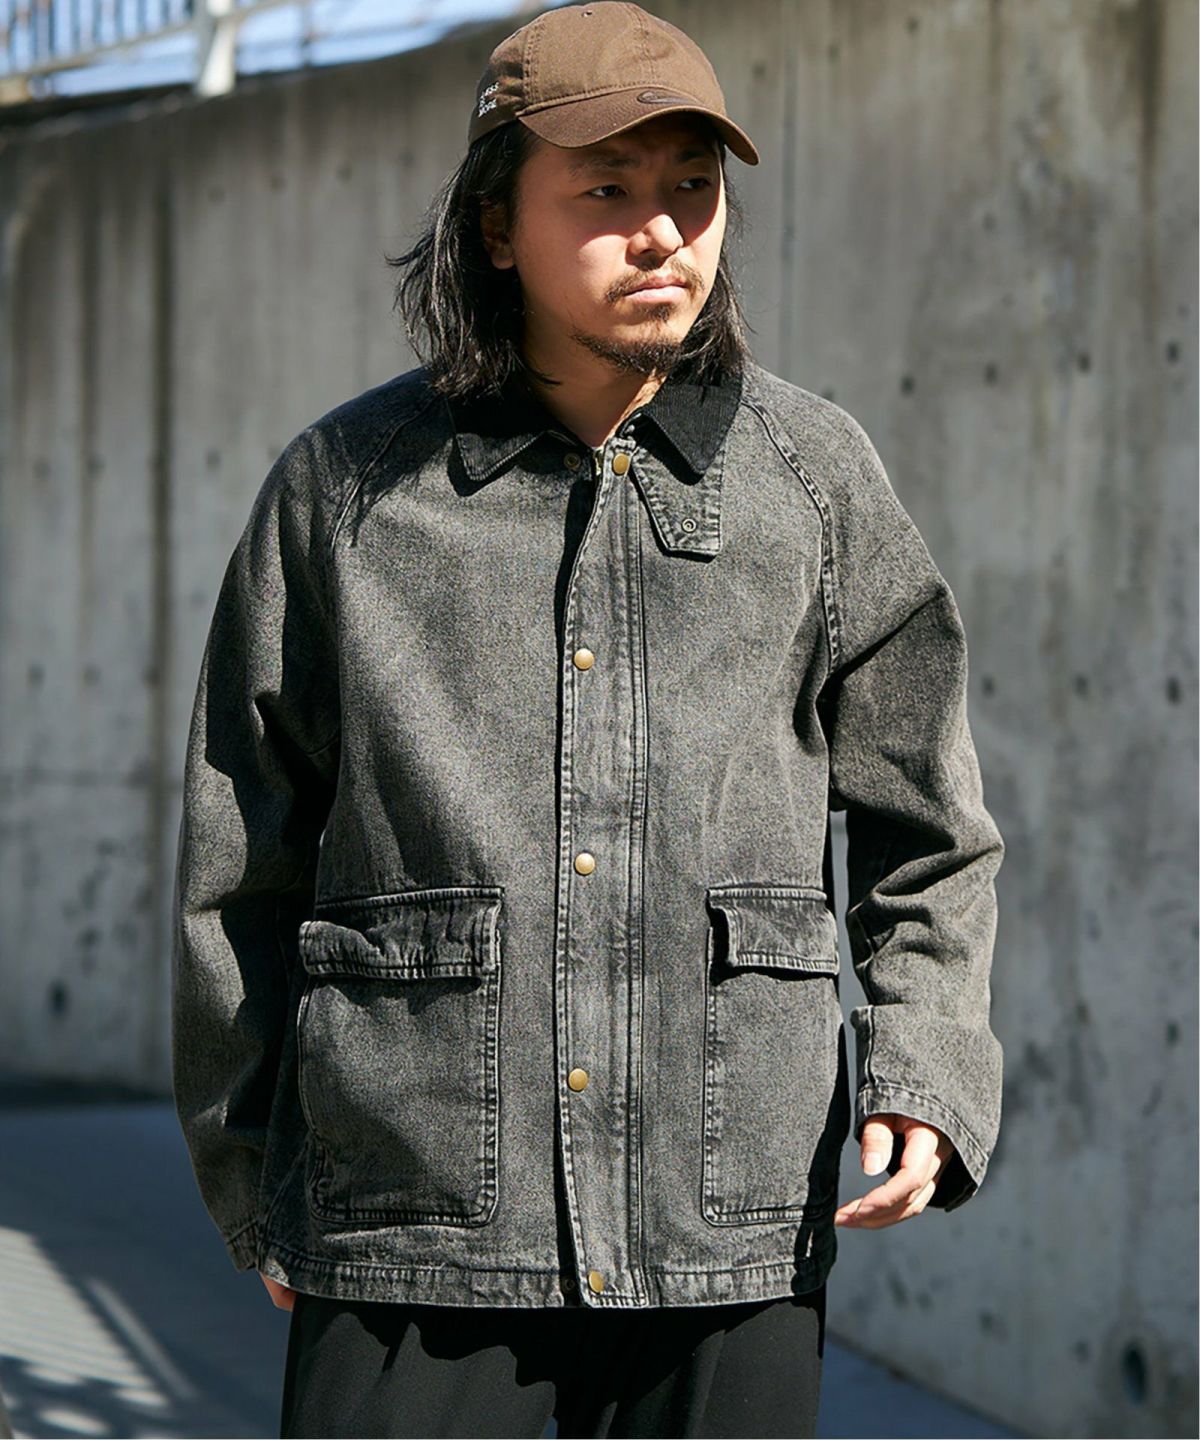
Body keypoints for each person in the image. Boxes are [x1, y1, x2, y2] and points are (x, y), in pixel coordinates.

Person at [170, 3, 1005, 1436]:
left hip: (727, 1201)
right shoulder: (348, 492)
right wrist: (254, 1179)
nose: (663, 231)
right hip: (416, 1200)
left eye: (693, 186)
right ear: (498, 226)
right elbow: (242, 850)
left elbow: (930, 827)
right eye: (607, 189)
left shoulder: (814, 481)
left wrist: (926, 1068)